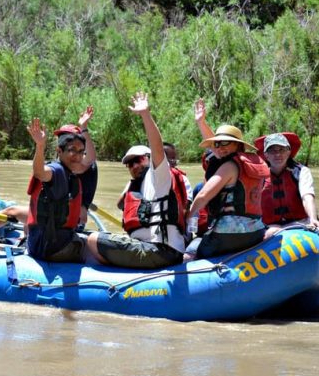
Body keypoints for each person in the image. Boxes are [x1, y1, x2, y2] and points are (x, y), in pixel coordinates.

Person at [0, 106, 98, 235]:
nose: (61, 140)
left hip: (66, 224)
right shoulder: (64, 166)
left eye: (76, 148)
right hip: (58, 218)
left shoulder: (80, 165)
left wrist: (83, 127)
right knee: (16, 211)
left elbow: (89, 158)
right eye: (61, 138)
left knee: (13, 211)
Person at [87, 92, 186, 268]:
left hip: (161, 251)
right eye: (130, 164)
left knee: (93, 240)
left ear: (149, 158)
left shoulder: (159, 176)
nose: (134, 166)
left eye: (139, 160)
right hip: (148, 248)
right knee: (92, 240)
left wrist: (145, 116)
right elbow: (123, 205)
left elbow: (157, 148)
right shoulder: (135, 186)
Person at [186, 98, 269, 258]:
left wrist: (188, 217)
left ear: (237, 145)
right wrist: (201, 122)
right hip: (256, 233)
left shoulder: (229, 167)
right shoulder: (250, 163)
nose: (220, 148)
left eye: (225, 143)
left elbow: (203, 196)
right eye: (217, 144)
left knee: (189, 252)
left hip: (227, 236)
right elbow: (214, 150)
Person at [25, 118, 87, 262]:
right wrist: (40, 146)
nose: (77, 156)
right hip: (52, 248)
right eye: (72, 151)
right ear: (59, 151)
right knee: (95, 243)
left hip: (49, 243)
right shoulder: (57, 170)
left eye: (81, 152)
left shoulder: (69, 173)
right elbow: (40, 172)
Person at [254, 132, 319, 236]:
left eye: (282, 149)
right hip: (270, 226)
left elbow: (307, 197)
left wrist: (313, 218)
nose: (278, 154)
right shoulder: (258, 175)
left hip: (300, 223)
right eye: (272, 150)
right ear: (266, 155)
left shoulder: (302, 171)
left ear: (288, 152)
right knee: (269, 233)